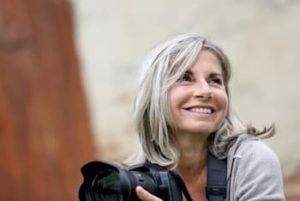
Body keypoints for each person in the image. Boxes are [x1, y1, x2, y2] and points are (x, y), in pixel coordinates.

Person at [128, 33, 285, 201]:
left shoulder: (252, 161)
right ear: (154, 95)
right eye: (185, 78)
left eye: (215, 80)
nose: (205, 91)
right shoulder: (135, 180)